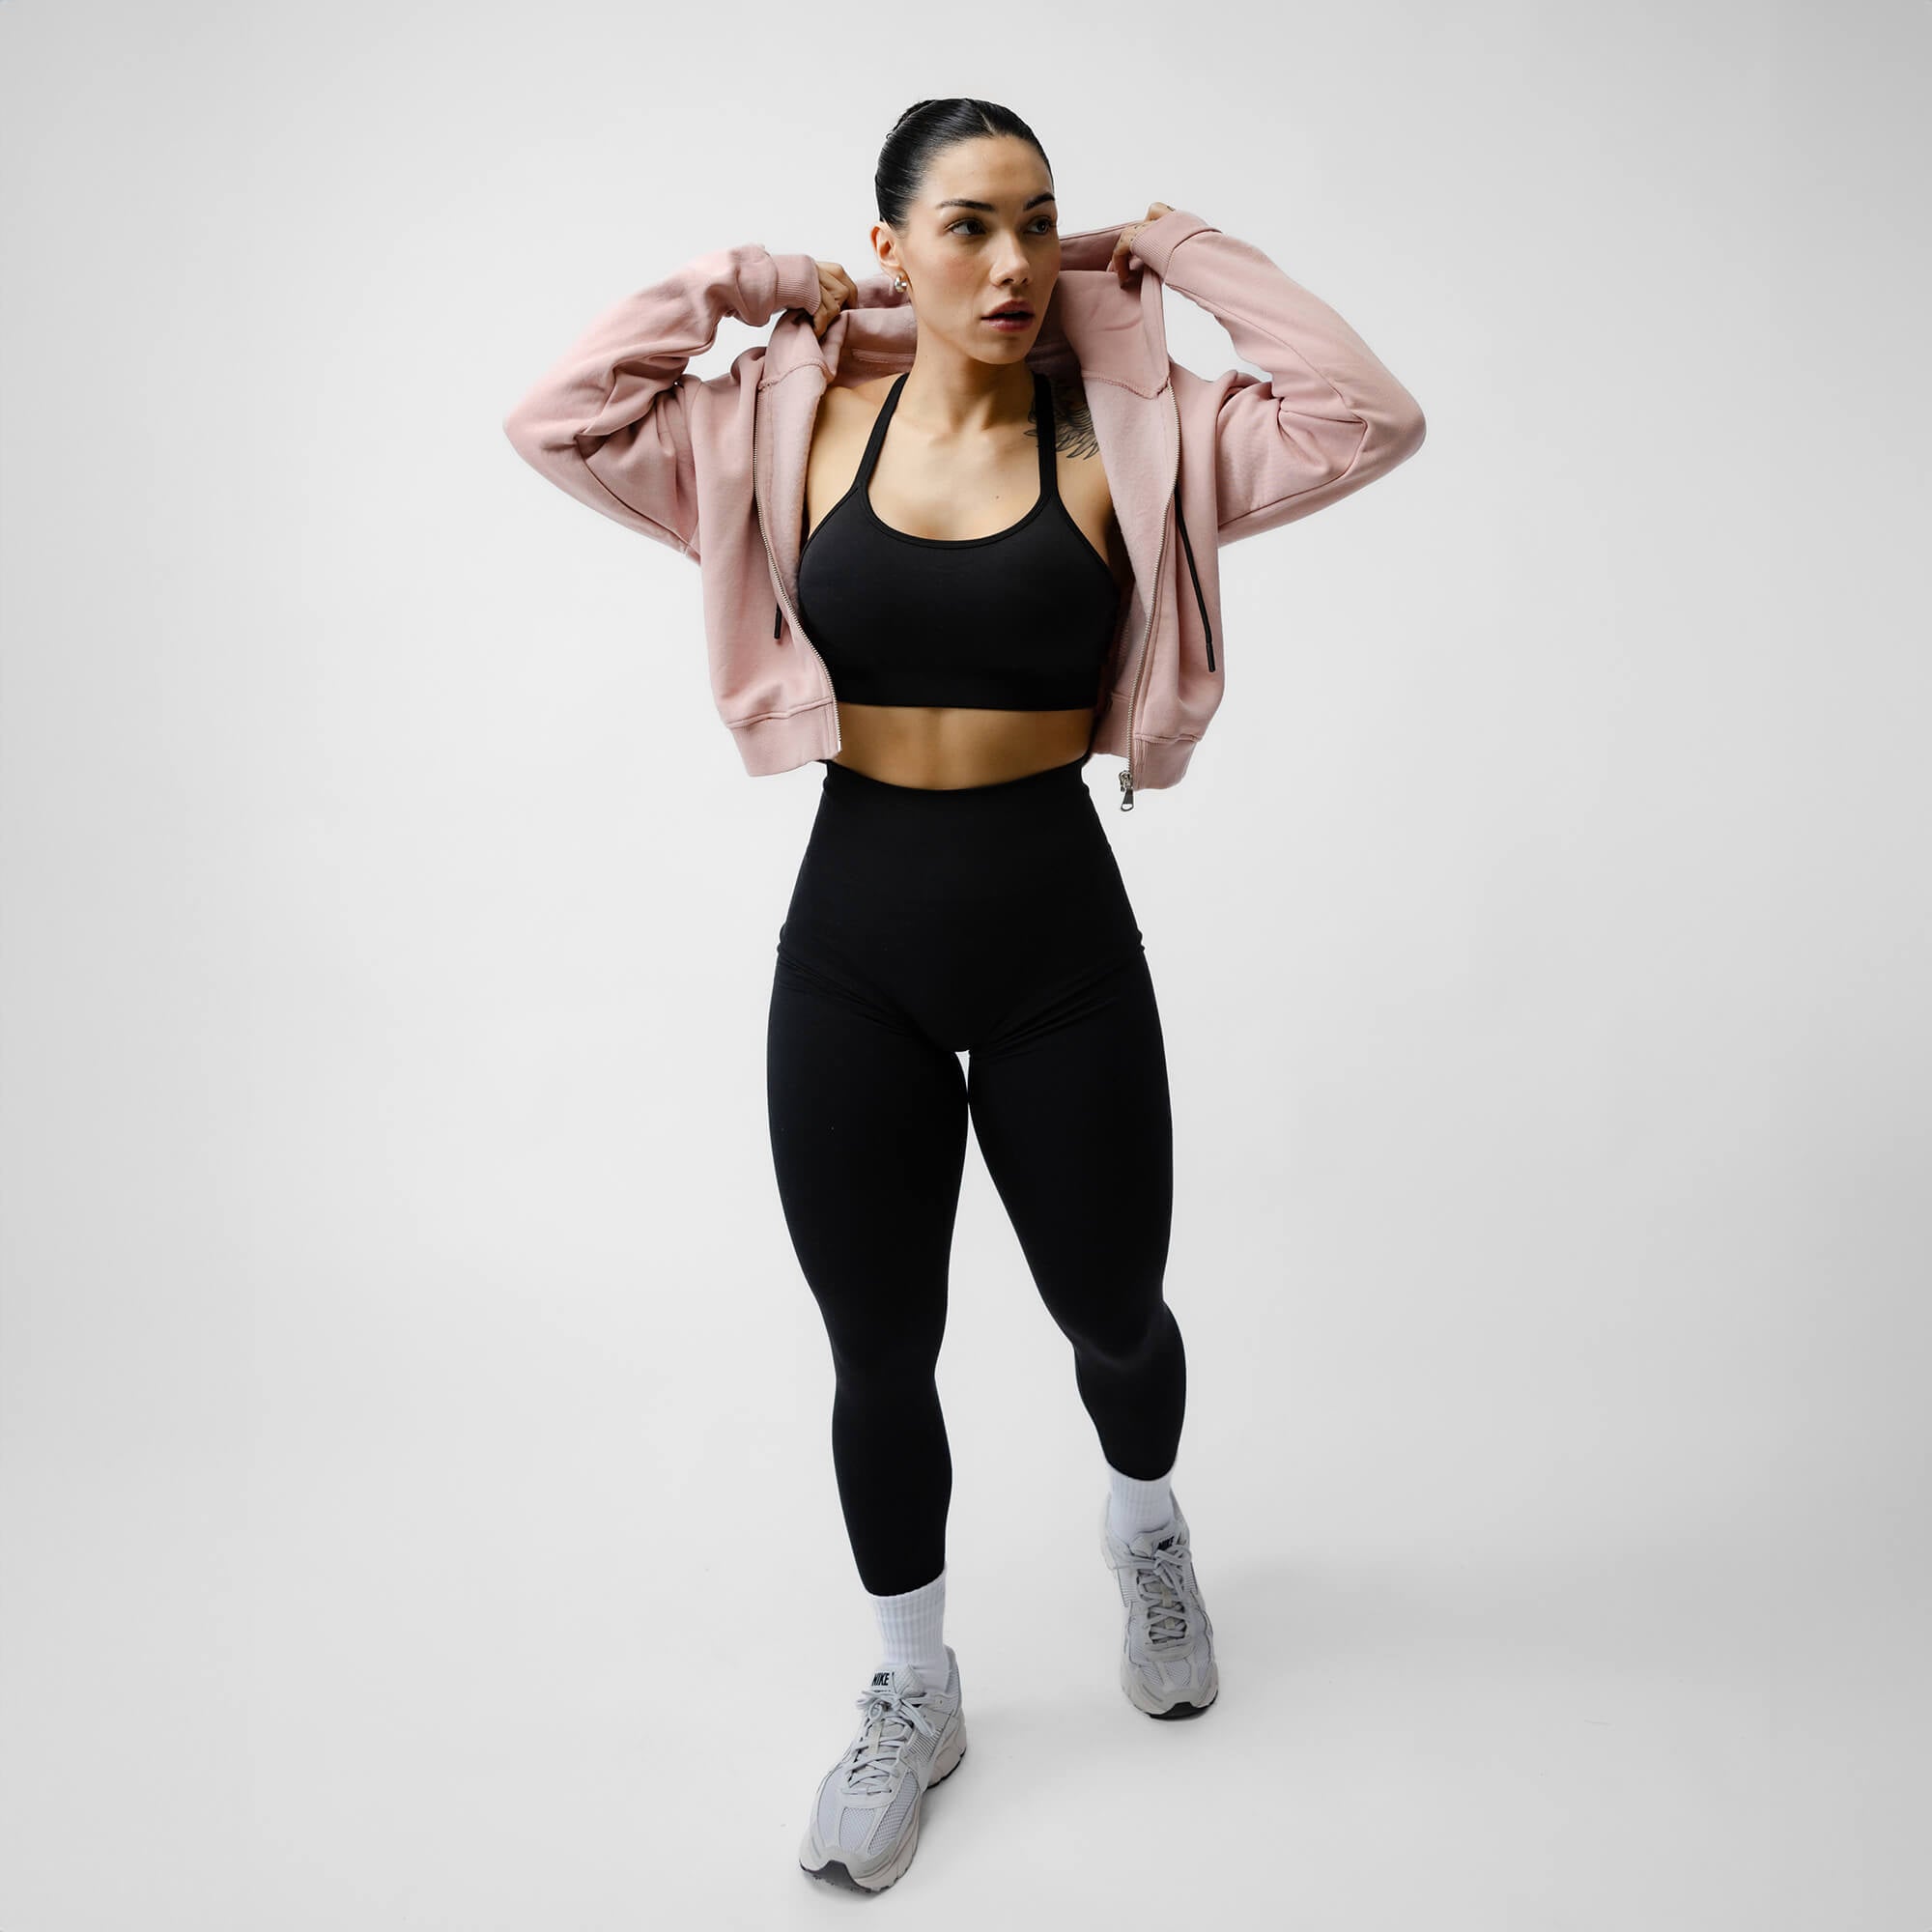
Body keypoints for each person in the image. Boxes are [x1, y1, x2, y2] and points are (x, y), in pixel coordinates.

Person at [502, 96, 1426, 1894]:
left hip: (1059, 951)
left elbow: (1366, 415)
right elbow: (557, 418)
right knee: (879, 1349)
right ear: (891, 248)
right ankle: (912, 1691)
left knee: (1115, 1314)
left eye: (1042, 223)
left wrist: (1175, 251)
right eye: (972, 226)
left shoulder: (1142, 435)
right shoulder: (778, 426)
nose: (1014, 263)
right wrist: (739, 281)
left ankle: (1147, 1532)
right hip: (854, 952)